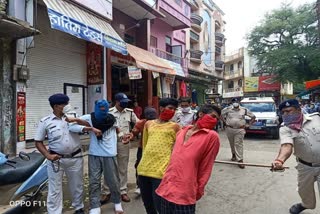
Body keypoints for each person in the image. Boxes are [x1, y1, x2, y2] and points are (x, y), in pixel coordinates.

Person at [34, 93, 101, 214]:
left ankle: (78, 207)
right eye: (63, 104)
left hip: (75, 157)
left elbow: (89, 127)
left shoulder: (73, 117)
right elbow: (38, 142)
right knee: (55, 188)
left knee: (77, 185)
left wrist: (76, 119)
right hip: (56, 159)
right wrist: (48, 156)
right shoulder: (45, 121)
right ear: (55, 106)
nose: (66, 106)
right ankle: (54, 211)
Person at [156, 104, 221, 214]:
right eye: (213, 116)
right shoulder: (183, 131)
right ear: (201, 114)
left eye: (217, 119)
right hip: (166, 188)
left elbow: (206, 167)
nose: (215, 121)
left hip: (185, 193)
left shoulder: (211, 137)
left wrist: (198, 189)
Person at [272, 99, 320, 214]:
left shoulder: (317, 118)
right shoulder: (285, 128)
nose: (285, 115)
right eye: (283, 112)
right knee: (304, 191)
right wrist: (280, 160)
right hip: (305, 166)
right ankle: (306, 205)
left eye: (289, 111)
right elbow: (287, 146)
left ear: (299, 110)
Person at [80, 100, 124, 214]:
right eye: (100, 109)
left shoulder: (112, 118)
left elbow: (118, 130)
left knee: (113, 180)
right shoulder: (89, 118)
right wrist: (90, 129)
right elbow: (71, 126)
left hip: (109, 154)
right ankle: (95, 205)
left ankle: (117, 202)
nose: (102, 111)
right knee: (94, 181)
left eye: (105, 108)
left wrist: (122, 137)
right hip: (94, 154)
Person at [137, 98, 180, 214]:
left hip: (161, 171)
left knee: (160, 205)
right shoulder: (148, 124)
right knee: (148, 204)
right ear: (161, 108)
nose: (172, 111)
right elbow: (145, 146)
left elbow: (177, 150)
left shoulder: (175, 127)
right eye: (170, 108)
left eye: (174, 109)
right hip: (144, 169)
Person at [100, 92, 138, 203]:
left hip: (123, 143)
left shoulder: (130, 113)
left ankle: (123, 191)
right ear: (116, 102)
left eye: (126, 102)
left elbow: (138, 123)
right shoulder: (108, 112)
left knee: (122, 168)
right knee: (108, 168)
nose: (125, 104)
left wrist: (132, 134)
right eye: (123, 102)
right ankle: (106, 192)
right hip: (110, 143)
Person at [221, 98, 256, 168]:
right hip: (229, 129)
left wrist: (249, 124)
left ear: (239, 102)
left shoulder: (244, 109)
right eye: (234, 101)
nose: (235, 103)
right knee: (232, 143)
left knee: (238, 143)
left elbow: (253, 117)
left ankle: (240, 160)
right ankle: (233, 154)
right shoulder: (227, 109)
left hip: (240, 130)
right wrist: (224, 122)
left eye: (236, 101)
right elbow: (220, 115)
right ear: (232, 103)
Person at [130, 107, 157, 195]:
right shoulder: (141, 123)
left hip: (156, 149)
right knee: (139, 165)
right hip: (143, 148)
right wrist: (130, 135)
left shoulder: (160, 123)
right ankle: (139, 186)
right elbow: (134, 132)